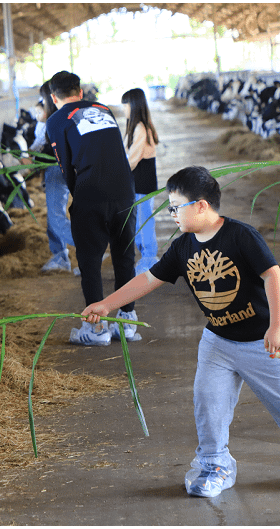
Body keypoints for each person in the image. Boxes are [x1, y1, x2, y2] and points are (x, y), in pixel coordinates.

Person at [81, 165, 280, 498]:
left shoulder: (240, 236)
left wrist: (276, 325)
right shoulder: (183, 246)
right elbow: (149, 278)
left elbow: (272, 275)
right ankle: (216, 464)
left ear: (201, 205)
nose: (171, 213)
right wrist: (107, 303)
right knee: (208, 402)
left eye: (176, 206)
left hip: (262, 342)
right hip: (217, 342)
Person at [45, 70, 139, 345]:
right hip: (124, 190)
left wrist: (79, 196)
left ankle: (96, 330)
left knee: (90, 261)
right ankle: (127, 322)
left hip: (91, 191)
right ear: (80, 91)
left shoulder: (56, 120)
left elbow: (66, 165)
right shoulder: (103, 109)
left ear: (53, 97)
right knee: (124, 256)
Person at [33, 81, 76, 273]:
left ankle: (90, 248)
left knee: (56, 217)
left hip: (56, 170)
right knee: (53, 217)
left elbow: (54, 150)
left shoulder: (55, 120)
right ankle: (59, 256)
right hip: (53, 170)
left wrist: (32, 159)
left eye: (44, 98)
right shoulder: (52, 120)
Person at [121, 88, 160, 275]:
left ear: (134, 105)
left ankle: (150, 260)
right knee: (139, 222)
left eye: (126, 105)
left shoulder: (141, 128)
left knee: (144, 222)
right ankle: (146, 258)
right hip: (139, 183)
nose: (124, 109)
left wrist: (115, 175)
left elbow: (132, 159)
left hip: (142, 183)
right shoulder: (137, 126)